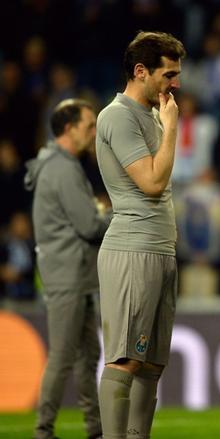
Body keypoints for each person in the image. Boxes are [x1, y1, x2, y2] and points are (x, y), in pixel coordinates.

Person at [95, 31, 185, 439]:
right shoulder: (117, 116)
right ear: (140, 71)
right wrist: (171, 129)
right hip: (132, 248)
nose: (175, 85)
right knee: (126, 360)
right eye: (168, 75)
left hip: (160, 249)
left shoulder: (150, 115)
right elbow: (150, 183)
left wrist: (164, 124)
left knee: (151, 364)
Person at [25, 98, 110, 439]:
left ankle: (96, 429)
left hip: (76, 275)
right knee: (63, 356)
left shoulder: (60, 165)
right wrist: (114, 216)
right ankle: (43, 430)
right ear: (69, 127)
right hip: (68, 276)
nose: (92, 133)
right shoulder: (62, 169)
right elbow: (89, 225)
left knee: (88, 356)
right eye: (89, 126)